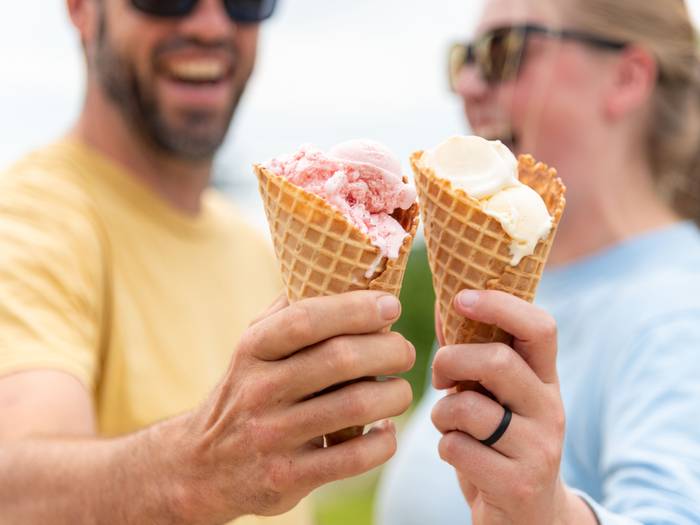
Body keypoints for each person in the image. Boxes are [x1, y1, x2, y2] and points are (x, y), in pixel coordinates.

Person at [0, 1, 415, 523]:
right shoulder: (28, 223)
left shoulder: (256, 248)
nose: (211, 24)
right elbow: (12, 490)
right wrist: (195, 473)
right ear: (82, 9)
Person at [377, 0, 700, 523]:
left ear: (625, 78)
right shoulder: (506, 284)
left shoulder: (677, 309)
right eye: (465, 58)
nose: (468, 85)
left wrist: (549, 513)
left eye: (504, 51)